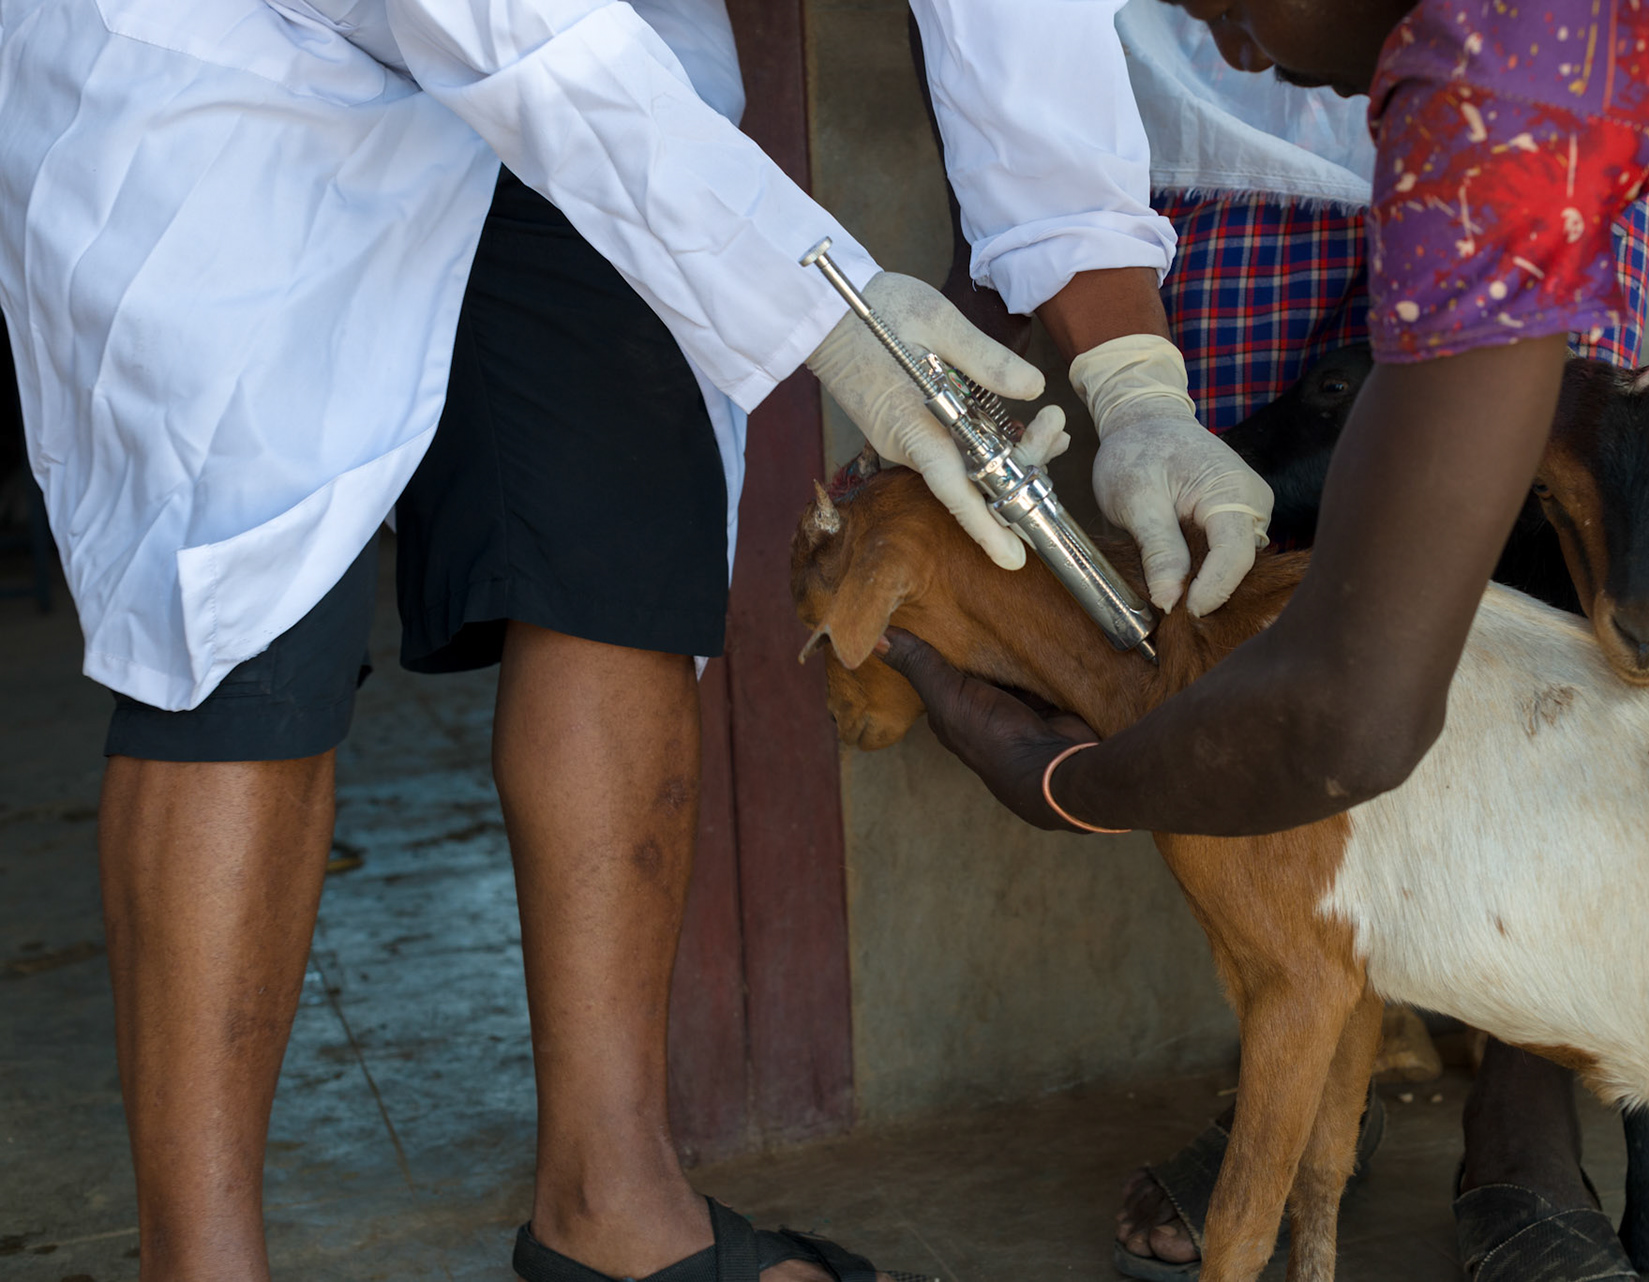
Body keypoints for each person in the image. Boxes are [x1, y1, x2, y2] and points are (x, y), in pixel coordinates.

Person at [0, 2, 1271, 1280]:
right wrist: (814, 303)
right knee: (243, 618)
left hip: (613, 36)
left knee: (620, 537)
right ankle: (202, 1265)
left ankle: (608, 1201)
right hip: (241, 49)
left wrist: (1130, 375)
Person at [877, 3, 1649, 1279]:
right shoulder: (1497, 68)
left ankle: (1527, 1126)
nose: (1225, 45)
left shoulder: (1498, 72)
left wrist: (1071, 781)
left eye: (1228, 8)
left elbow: (1355, 714)